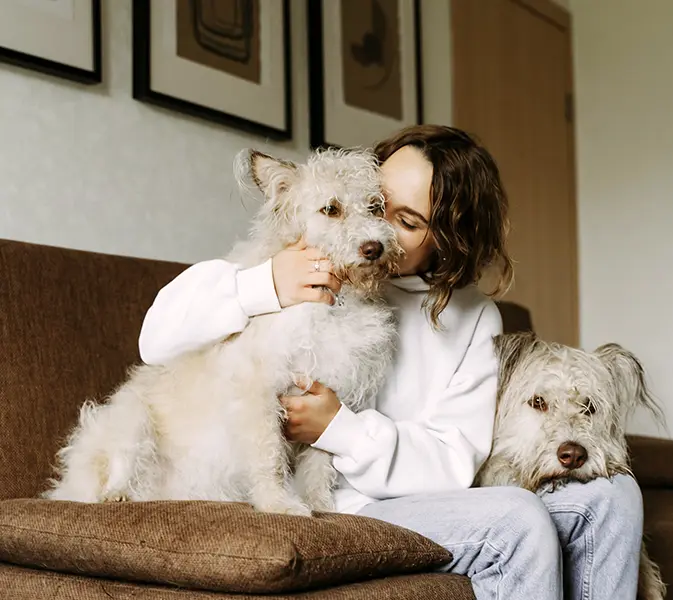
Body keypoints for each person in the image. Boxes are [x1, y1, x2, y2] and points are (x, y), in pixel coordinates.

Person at [138, 125, 644, 599]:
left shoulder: (472, 317)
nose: (372, 229)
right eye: (376, 202)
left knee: (614, 497)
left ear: (449, 237)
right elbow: (156, 339)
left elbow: (453, 460)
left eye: (404, 221)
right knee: (518, 518)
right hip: (335, 500)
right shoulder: (301, 260)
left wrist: (340, 428)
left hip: (411, 493)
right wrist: (265, 283)